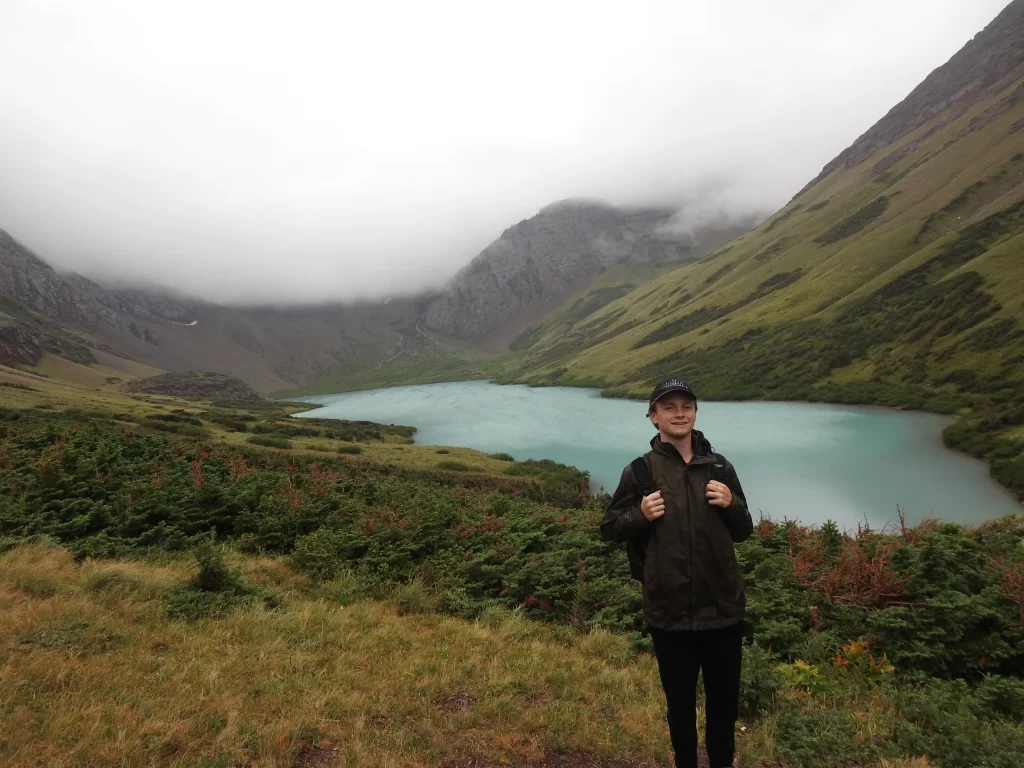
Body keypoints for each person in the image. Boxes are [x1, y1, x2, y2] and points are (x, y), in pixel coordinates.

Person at [601, 378, 753, 768]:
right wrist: (639, 515)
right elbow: (610, 528)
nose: (679, 412)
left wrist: (731, 502)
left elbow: (744, 531)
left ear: (696, 413)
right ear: (653, 417)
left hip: (723, 609)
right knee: (680, 706)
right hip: (668, 611)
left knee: (724, 706)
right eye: (668, 407)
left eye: (687, 405)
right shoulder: (639, 472)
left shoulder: (720, 467)